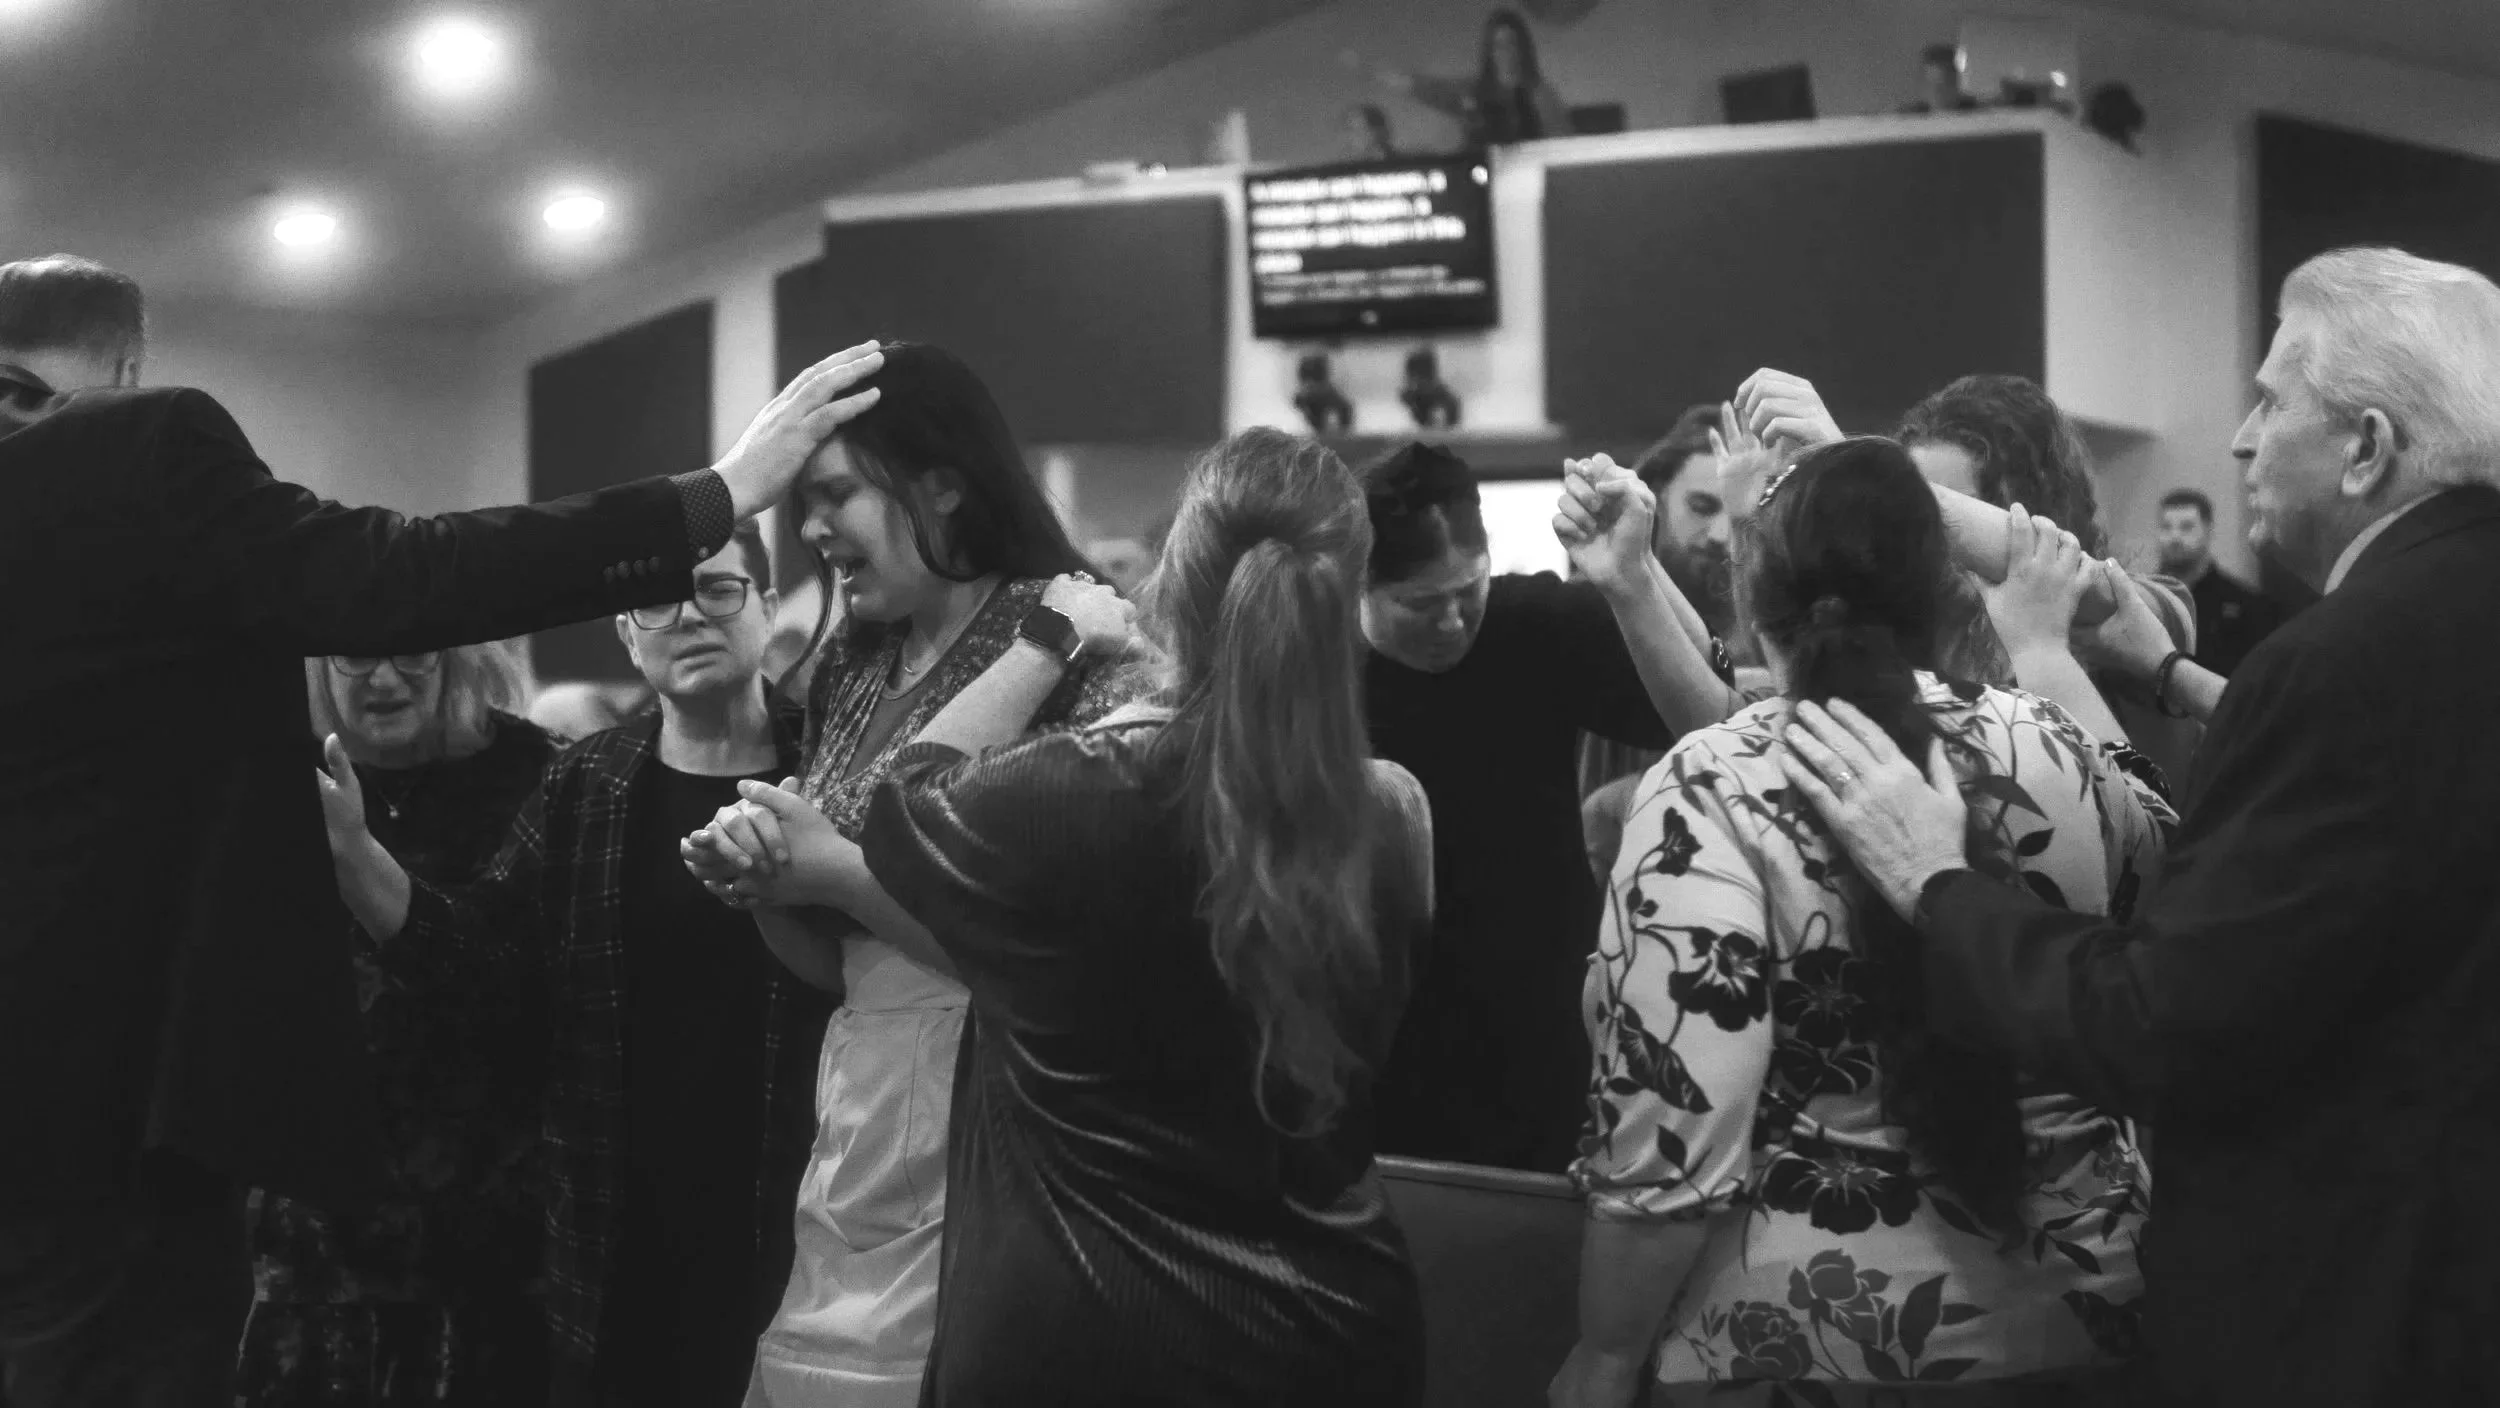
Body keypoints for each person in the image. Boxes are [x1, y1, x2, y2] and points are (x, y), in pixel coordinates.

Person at [0, 249, 879, 1408]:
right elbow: (399, 573)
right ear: (118, 366)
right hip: (131, 1073)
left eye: (718, 584)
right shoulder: (127, 442)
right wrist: (711, 494)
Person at [1775, 246, 2500, 1403]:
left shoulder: (2338, 664)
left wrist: (1935, 879)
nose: (2239, 439)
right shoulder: (2420, 628)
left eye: (2270, 400)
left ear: (2365, 448)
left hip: (2346, 1312)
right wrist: (2171, 677)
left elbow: (2157, 1023)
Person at [711, 428, 1435, 1404]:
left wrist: (1050, 641)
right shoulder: (1394, 810)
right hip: (1340, 1331)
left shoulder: (1061, 794)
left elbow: (900, 801)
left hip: (1091, 1332)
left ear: (1169, 587)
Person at [1550, 439, 2168, 1407]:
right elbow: (2179, 892)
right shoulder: (2057, 744)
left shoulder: (1711, 780)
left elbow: (1681, 1106)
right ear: (1942, 596)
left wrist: (1605, 1349)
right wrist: (2049, 659)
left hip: (1797, 1340)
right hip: (2091, 1312)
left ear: (1756, 604)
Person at [680, 343, 1146, 1408]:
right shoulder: (849, 660)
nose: (809, 530)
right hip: (861, 1112)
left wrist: (835, 873)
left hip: (1014, 1127)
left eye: (836, 493)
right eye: (803, 502)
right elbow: (842, 965)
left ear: (942, 481)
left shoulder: (1083, 637)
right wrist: (766, 885)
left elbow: (1066, 972)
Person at [325, 525, 830, 1406]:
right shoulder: (589, 782)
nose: (690, 618)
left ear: (767, 607)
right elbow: (480, 958)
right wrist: (355, 854)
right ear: (628, 636)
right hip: (621, 1221)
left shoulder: (831, 762)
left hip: (806, 1205)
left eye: (718, 589)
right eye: (657, 602)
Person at [1362, 441, 1734, 1173]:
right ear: (1358, 587)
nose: (1449, 623)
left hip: (1534, 1016)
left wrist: (1635, 573)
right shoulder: (1314, 664)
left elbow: (1714, 717)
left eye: (1465, 591)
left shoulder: (1530, 622)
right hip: (1380, 1021)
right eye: (1418, 604)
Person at [238, 643, 558, 1404]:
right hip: (311, 1243)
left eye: (410, 653)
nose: (382, 678)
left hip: (492, 1240)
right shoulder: (266, 778)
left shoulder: (536, 776)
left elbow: (522, 988)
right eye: (354, 656)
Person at [1737, 369, 2202, 777]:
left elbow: (2081, 586)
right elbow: (1756, 688)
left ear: (2024, 506)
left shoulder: (2150, 600)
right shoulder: (1929, 631)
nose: (1912, 528)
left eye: (1940, 506)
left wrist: (1857, 471)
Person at [1579, 405, 1745, 871]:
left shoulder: (1779, 640)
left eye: (1740, 518)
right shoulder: (1593, 614)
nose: (1720, 537)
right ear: (1653, 496)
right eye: (1702, 506)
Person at [1369, 8, 1570, 148]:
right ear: (1489, 50)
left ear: (1522, 48)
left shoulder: (1542, 96)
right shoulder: (1473, 91)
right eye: (1497, 45)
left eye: (1510, 44)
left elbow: (1562, 143)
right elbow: (1437, 91)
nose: (1505, 52)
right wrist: (1401, 82)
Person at [2153, 488, 2281, 677]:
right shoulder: (2143, 600)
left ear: (2208, 530)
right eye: (2166, 527)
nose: (2175, 537)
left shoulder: (2247, 606)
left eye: (2186, 527)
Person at [1903, 42, 1979, 114]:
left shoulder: (1980, 116)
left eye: (1944, 84)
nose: (1937, 92)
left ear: (1957, 82)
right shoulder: (1908, 121)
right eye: (1931, 83)